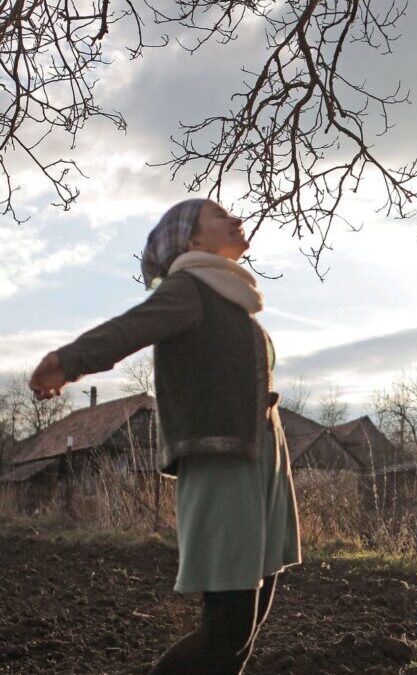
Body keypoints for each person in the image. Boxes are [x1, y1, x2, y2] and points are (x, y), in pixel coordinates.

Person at [29, 198, 301, 674]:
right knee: (228, 630)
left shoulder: (233, 299)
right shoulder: (189, 288)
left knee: (243, 631)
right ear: (193, 241)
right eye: (219, 215)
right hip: (222, 463)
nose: (236, 219)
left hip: (262, 460)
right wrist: (69, 361)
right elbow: (132, 327)